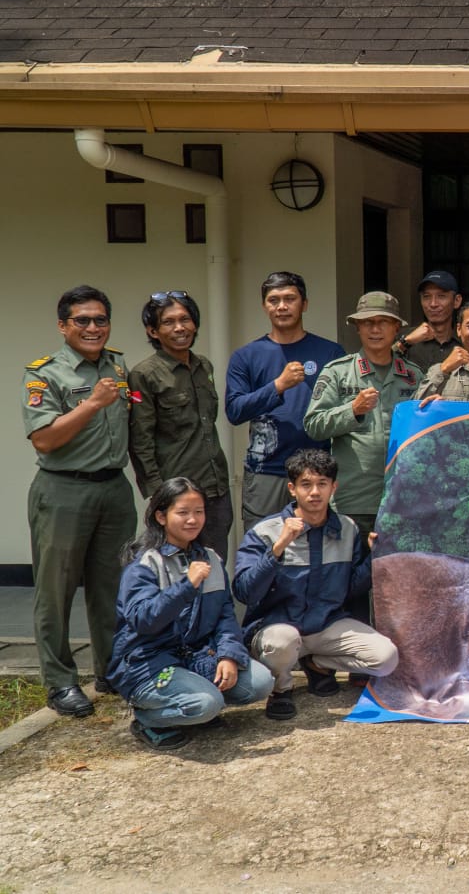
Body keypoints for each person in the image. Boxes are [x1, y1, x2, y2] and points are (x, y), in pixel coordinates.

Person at [23, 285, 138, 716]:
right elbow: (45, 438)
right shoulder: (43, 374)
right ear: (63, 326)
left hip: (113, 487)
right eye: (82, 321)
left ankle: (111, 670)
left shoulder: (119, 364)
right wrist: (91, 404)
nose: (93, 328)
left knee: (113, 587)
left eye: (100, 320)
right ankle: (60, 682)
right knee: (56, 591)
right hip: (63, 489)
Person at [107, 477, 274, 750]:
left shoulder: (210, 559)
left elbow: (225, 616)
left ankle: (193, 706)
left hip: (195, 658)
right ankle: (148, 719)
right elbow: (143, 620)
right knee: (207, 703)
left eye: (198, 512)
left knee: (260, 682)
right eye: (182, 512)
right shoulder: (145, 564)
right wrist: (187, 585)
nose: (192, 520)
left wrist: (228, 656)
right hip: (148, 665)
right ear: (161, 516)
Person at [234, 449, 399, 721]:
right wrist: (278, 549)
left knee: (386, 658)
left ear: (334, 487)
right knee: (283, 642)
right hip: (277, 627)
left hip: (326, 624)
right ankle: (281, 688)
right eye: (306, 485)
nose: (314, 492)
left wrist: (373, 557)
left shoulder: (348, 528)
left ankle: (316, 663)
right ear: (292, 489)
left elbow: (351, 589)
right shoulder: (266, 531)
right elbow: (244, 592)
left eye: (322, 484)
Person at [225, 271, 344, 530]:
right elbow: (234, 411)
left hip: (317, 471)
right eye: (273, 300)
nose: (282, 306)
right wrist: (278, 386)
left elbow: (345, 411)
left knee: (316, 547)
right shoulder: (246, 356)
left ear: (305, 304)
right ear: (264, 306)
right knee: (263, 546)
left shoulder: (331, 352)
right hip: (266, 469)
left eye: (290, 298)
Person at [304, 292, 423, 538]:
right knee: (352, 573)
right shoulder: (338, 372)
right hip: (354, 500)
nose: (375, 329)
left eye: (383, 322)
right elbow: (313, 425)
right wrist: (352, 410)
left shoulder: (414, 376)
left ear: (396, 327)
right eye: (368, 322)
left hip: (402, 498)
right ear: (357, 327)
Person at [127, 291, 233, 560]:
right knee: (177, 571)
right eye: (168, 322)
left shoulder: (203, 366)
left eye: (185, 319)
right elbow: (141, 439)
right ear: (153, 331)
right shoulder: (144, 374)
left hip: (215, 489)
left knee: (214, 566)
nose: (179, 328)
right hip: (176, 494)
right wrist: (158, 494)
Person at [394, 270, 463, 373]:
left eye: (441, 296)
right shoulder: (405, 337)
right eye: (426, 297)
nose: (433, 304)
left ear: (456, 301)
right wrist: (406, 342)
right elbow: (379, 367)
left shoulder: (466, 340)